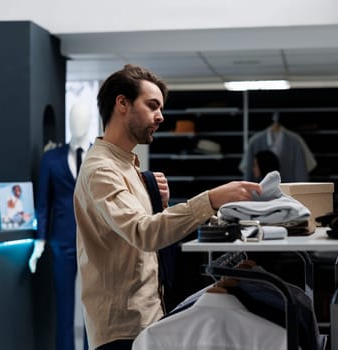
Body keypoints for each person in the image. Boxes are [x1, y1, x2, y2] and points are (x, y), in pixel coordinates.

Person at [73, 64, 262, 350]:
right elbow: (144, 233)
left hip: (147, 318)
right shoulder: (101, 170)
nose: (160, 116)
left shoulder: (128, 166)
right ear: (122, 103)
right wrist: (212, 199)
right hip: (122, 329)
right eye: (152, 106)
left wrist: (154, 198)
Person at [28, 102, 93, 350]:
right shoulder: (50, 159)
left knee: (92, 305)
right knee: (64, 305)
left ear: (90, 122)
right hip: (61, 240)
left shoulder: (100, 156)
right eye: (74, 118)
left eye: (83, 118)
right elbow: (43, 204)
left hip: (93, 240)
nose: (79, 123)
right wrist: (40, 240)